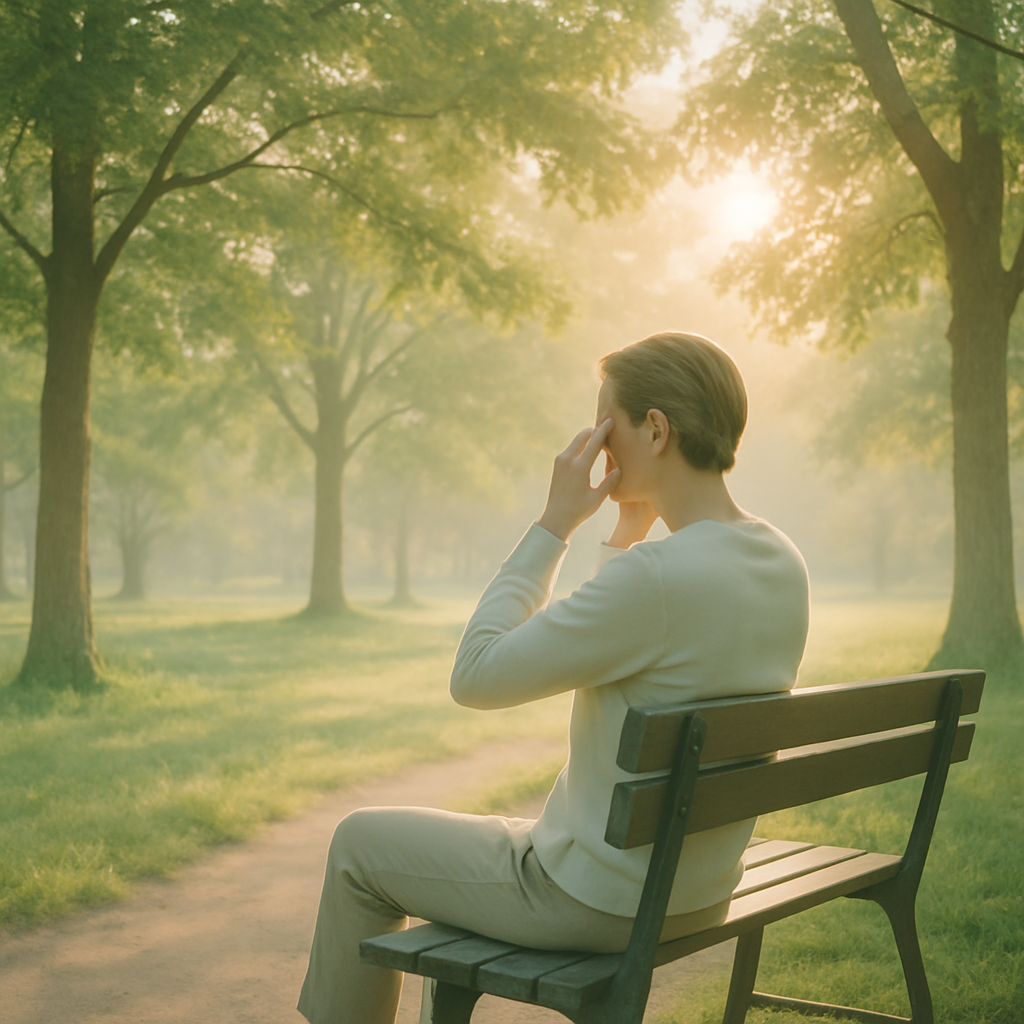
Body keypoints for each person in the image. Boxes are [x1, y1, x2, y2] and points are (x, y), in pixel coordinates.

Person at [297, 331, 809, 1024]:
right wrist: (627, 534)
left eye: (607, 421)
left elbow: (475, 676)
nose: (595, 443)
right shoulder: (780, 560)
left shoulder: (656, 578)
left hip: (594, 898)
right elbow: (632, 636)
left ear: (654, 430)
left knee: (359, 842)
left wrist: (555, 523)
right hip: (696, 888)